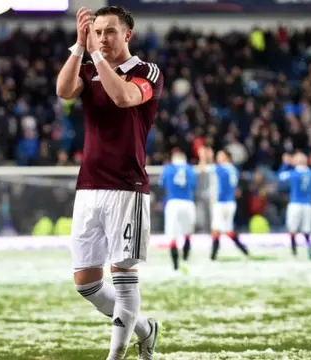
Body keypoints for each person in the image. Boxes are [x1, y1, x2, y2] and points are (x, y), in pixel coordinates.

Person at [55, 6, 163, 360]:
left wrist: (98, 58)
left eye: (110, 32)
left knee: (123, 273)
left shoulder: (147, 71)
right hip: (88, 187)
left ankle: (115, 356)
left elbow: (123, 97)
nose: (102, 38)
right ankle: (146, 328)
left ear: (127, 35)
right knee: (86, 283)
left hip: (126, 187)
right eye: (97, 31)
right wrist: (77, 47)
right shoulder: (87, 66)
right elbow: (63, 90)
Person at [199, 148, 249, 261]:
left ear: (226, 157)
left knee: (216, 229)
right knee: (227, 229)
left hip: (221, 203)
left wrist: (204, 157)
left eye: (220, 155)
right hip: (230, 203)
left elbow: (201, 169)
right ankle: (244, 250)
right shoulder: (234, 169)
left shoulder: (221, 169)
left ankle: (213, 256)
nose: (218, 158)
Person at [160, 150, 197, 273]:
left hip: (173, 203)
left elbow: (162, 184)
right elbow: (193, 186)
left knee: (173, 236)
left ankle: (175, 266)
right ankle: (185, 261)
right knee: (188, 234)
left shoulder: (168, 169)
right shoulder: (190, 169)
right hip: (188, 203)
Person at [278, 152, 311, 260]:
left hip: (295, 203)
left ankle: (294, 251)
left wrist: (286, 164)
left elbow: (281, 177)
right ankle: (310, 250)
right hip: (308, 204)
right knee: (307, 229)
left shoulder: (294, 173)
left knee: (292, 228)